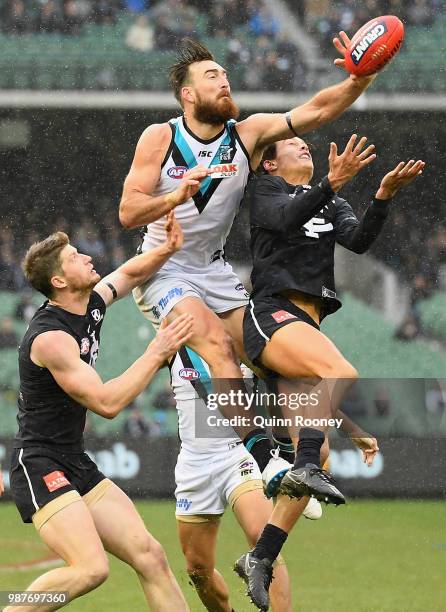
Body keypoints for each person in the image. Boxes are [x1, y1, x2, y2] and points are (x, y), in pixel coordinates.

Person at [119, 35, 379, 487]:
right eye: (211, 76)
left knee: (271, 358)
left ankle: (303, 462)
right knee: (220, 349)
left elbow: (317, 110)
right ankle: (268, 463)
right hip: (164, 268)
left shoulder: (248, 135)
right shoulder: (160, 137)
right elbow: (128, 212)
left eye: (224, 74)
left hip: (215, 271)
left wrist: (358, 79)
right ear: (187, 94)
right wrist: (175, 196)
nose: (224, 81)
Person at [234, 135, 425, 610]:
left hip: (305, 327)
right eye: (292, 144)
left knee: (318, 459)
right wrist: (328, 183)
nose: (304, 146)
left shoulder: (330, 198)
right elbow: (282, 219)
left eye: (305, 143)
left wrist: (380, 197)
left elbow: (358, 241)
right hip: (272, 314)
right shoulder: (264, 191)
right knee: (342, 369)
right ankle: (297, 467)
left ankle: (260, 557)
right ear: (270, 162)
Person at [6, 213, 193, 612]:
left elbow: (126, 274)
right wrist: (156, 352)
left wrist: (168, 249)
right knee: (91, 568)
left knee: (150, 556)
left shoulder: (89, 303)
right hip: (38, 464)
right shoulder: (51, 338)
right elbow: (107, 404)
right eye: (75, 257)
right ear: (59, 281)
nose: (88, 257)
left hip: (73, 460)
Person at [171, 348, 302, 612]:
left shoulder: (240, 336)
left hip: (240, 452)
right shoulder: (174, 337)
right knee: (198, 570)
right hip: (194, 463)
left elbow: (279, 385)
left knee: (261, 535)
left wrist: (289, 446)